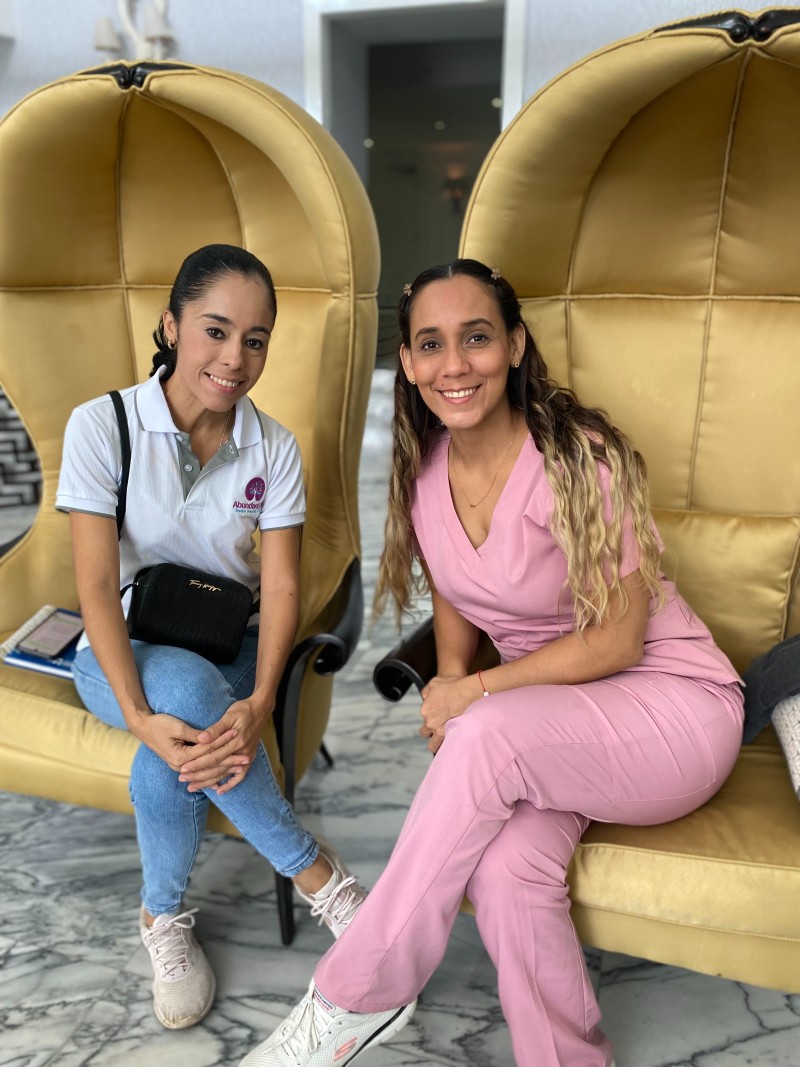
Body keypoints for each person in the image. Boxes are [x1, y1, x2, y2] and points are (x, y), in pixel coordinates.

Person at [238, 258, 745, 1067]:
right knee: (508, 872)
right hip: (555, 726)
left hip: (673, 710)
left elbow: (620, 640)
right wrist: (449, 681)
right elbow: (455, 590)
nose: (455, 364)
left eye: (475, 337)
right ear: (408, 364)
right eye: (431, 344)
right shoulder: (425, 473)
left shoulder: (577, 459)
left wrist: (473, 693)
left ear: (514, 344)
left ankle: (356, 994)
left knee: (488, 731)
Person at [55, 244, 366, 1031]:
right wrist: (137, 713)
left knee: (185, 735)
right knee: (188, 695)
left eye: (255, 340)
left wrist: (259, 700)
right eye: (216, 331)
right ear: (171, 325)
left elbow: (282, 588)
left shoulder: (275, 447)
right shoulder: (103, 425)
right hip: (123, 650)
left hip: (231, 642)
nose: (234, 359)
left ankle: (160, 916)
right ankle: (322, 880)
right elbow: (95, 586)